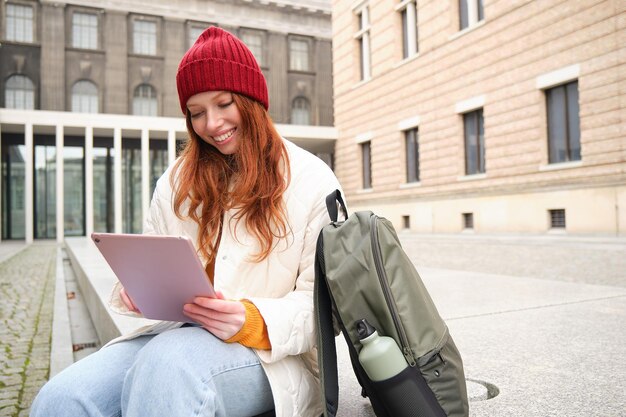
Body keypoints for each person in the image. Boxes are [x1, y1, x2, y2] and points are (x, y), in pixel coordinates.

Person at [31, 26, 342, 417]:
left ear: (251, 100)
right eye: (196, 113)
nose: (212, 124)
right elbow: (154, 258)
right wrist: (137, 290)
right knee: (62, 397)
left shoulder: (314, 180)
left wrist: (251, 320)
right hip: (174, 338)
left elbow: (327, 312)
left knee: (168, 369)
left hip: (272, 358)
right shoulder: (177, 180)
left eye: (224, 103)